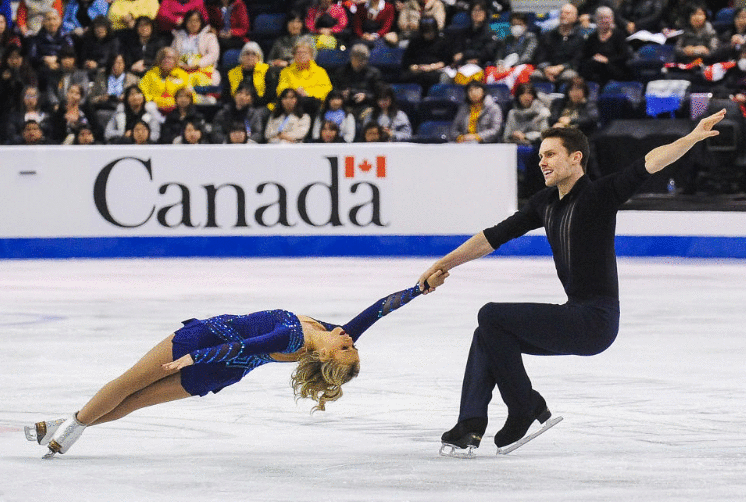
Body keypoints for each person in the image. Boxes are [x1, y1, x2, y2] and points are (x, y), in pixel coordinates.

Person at [417, 109, 727, 456]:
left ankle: (525, 406)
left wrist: (691, 136)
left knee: (491, 315)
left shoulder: (599, 196)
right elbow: (493, 236)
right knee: (487, 333)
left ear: (575, 157)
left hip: (595, 321)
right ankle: (470, 426)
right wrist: (442, 265)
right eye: (539, 156)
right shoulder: (545, 203)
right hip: (574, 314)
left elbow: (648, 163)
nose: (542, 162)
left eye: (550, 154)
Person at [26, 270, 448, 458]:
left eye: (346, 349)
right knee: (134, 402)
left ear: (324, 356)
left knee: (127, 385)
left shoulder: (295, 337)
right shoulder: (332, 331)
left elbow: (247, 342)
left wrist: (194, 354)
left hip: (207, 345)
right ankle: (65, 427)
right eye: (353, 345)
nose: (350, 339)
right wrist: (418, 289)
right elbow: (378, 310)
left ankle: (70, 424)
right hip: (223, 372)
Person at [275, 36, 333, 117]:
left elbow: (326, 90)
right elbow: (281, 89)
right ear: (294, 55)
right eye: (298, 53)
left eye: (305, 53)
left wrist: (307, 93)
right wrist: (294, 92)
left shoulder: (320, 71)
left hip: (312, 105)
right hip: (291, 104)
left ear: (311, 55)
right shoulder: (286, 71)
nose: (301, 55)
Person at [530, 3, 584, 87]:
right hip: (548, 68)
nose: (563, 15)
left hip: (567, 69)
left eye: (567, 13)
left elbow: (577, 60)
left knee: (569, 76)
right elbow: (539, 56)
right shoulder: (547, 35)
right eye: (561, 12)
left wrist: (560, 68)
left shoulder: (579, 38)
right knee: (535, 75)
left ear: (575, 18)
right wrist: (546, 69)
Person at [579, 6, 632, 86]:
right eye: (601, 18)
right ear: (596, 20)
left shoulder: (619, 35)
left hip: (615, 69)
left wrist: (607, 60)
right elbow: (584, 57)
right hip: (595, 70)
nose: (604, 20)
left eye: (607, 18)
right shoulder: (591, 38)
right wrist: (594, 58)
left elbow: (624, 56)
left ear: (612, 19)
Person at [331, 43, 382, 118]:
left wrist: (366, 96)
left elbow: (379, 94)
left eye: (363, 59)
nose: (360, 62)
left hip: (366, 106)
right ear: (351, 58)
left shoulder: (374, 73)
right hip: (345, 106)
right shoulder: (341, 72)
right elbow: (334, 91)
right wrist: (341, 94)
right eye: (357, 59)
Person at [139, 46, 194, 112]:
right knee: (149, 106)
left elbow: (189, 93)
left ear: (175, 60)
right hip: (155, 108)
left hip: (176, 107)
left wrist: (173, 102)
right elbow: (142, 91)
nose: (166, 60)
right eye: (163, 58)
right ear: (159, 60)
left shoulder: (183, 75)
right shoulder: (150, 74)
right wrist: (153, 100)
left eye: (170, 58)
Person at [226, 41, 276, 106]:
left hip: (260, 106)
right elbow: (226, 95)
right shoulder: (232, 73)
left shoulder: (267, 70)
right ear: (241, 57)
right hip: (236, 106)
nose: (250, 57)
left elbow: (270, 95)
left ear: (259, 57)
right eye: (247, 54)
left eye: (254, 54)